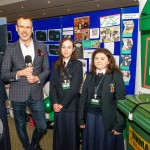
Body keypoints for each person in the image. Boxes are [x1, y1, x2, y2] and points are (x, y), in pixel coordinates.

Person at [1, 16, 50, 150]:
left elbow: (46, 70)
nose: (24, 30)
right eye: (21, 27)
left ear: (32, 29)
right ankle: (28, 147)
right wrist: (19, 73)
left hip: (36, 92)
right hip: (17, 94)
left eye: (27, 27)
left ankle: (33, 144)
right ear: (17, 29)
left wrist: (37, 78)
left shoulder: (41, 47)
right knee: (20, 124)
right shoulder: (10, 48)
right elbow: (4, 74)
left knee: (42, 126)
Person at [78, 48, 126, 150]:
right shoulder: (89, 75)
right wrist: (81, 119)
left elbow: (121, 101)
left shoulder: (116, 76)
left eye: (102, 58)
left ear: (109, 61)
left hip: (106, 119)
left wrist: (119, 125)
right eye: (96, 58)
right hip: (90, 117)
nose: (99, 61)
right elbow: (83, 98)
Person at [50, 37, 83, 150]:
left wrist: (62, 104)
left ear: (73, 49)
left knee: (71, 137)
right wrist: (54, 102)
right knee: (60, 135)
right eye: (63, 47)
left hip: (71, 106)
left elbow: (74, 88)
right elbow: (52, 86)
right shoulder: (55, 64)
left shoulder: (77, 64)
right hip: (58, 106)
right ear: (60, 48)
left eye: (69, 47)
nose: (66, 50)